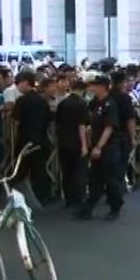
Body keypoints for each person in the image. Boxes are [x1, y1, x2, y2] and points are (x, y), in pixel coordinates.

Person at [76, 75, 125, 222]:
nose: (91, 88)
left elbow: (109, 128)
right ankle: (88, 208)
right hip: (96, 145)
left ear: (103, 87)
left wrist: (99, 147)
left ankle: (115, 208)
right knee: (94, 179)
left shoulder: (110, 104)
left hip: (109, 147)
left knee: (111, 179)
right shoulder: (94, 103)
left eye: (94, 85)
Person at [11, 70, 53, 205]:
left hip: (25, 141)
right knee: (40, 170)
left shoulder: (21, 101)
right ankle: (44, 197)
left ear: (25, 82)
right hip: (42, 139)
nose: (17, 86)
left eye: (18, 83)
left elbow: (16, 122)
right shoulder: (42, 100)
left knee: (20, 170)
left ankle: (19, 199)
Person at [55, 80, 90, 209]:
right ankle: (79, 197)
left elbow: (57, 124)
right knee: (79, 170)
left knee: (66, 171)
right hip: (77, 142)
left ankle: (68, 198)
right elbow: (82, 126)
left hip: (64, 141)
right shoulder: (82, 104)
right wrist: (84, 145)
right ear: (82, 90)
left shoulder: (62, 104)